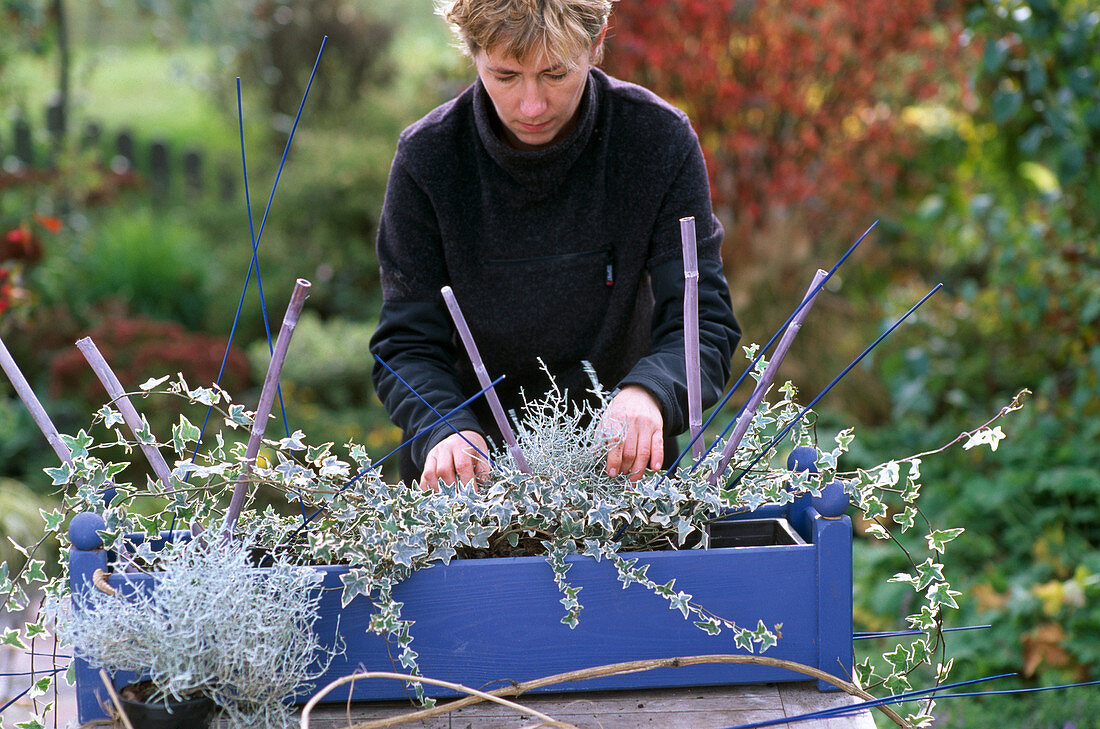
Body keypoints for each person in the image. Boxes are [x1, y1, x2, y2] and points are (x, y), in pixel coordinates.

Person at [369, 0, 740, 489]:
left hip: (624, 479)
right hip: (467, 490)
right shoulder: (429, 158)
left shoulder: (656, 140)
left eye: (555, 73)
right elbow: (406, 345)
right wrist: (443, 427)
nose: (532, 105)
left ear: (597, 42)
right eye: (505, 76)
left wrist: (651, 392)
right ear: (472, 51)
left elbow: (702, 322)